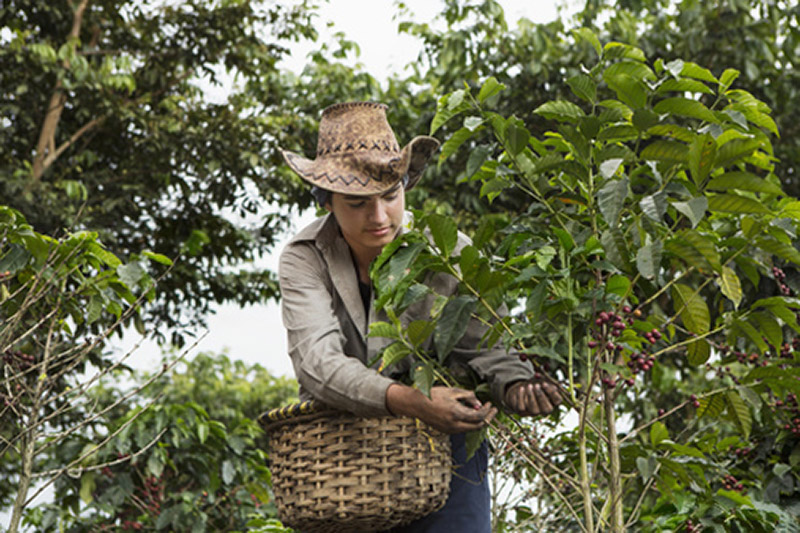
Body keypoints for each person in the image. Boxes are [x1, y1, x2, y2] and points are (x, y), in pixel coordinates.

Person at [278, 101, 561, 532]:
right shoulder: (305, 258)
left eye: (390, 196)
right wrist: (410, 400)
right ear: (327, 200)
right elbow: (318, 364)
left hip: (445, 447)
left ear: (406, 186)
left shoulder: (449, 251)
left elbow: (484, 347)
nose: (378, 217)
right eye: (356, 203)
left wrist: (516, 384)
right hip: (341, 456)